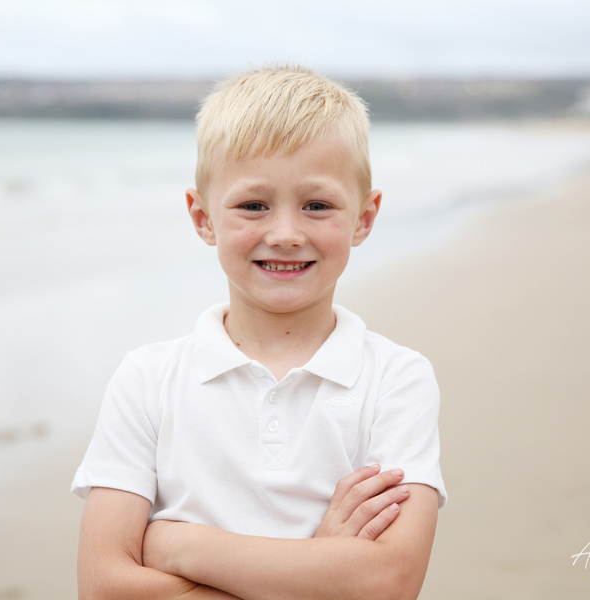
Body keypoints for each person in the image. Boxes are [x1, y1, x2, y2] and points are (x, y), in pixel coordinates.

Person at [71, 66, 446, 600]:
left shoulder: (396, 379)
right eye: (253, 206)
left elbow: (389, 580)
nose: (286, 234)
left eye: (317, 206)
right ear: (203, 218)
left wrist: (182, 546)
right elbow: (104, 587)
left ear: (364, 218)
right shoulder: (147, 379)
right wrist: (320, 568)